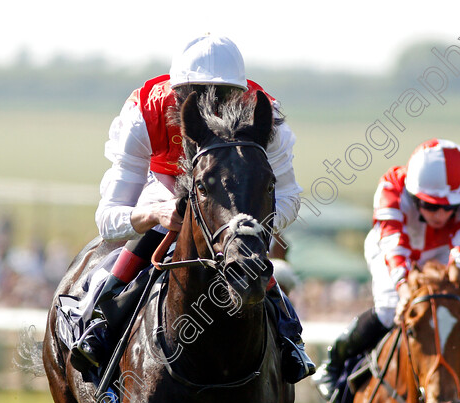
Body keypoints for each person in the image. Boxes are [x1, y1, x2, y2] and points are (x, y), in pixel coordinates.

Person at [72, 34, 316, 383]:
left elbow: (290, 195)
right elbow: (108, 217)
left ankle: (288, 333)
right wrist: (156, 214)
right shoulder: (144, 113)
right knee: (154, 231)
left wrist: (248, 226)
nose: (212, 105)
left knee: (245, 250)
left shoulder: (266, 118)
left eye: (224, 95)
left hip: (231, 202)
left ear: (241, 93)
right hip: (165, 187)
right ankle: (99, 322)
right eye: (199, 94)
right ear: (178, 93)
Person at [312, 138, 460, 403]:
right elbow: (393, 242)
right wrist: (403, 284)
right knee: (390, 309)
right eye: (431, 205)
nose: (441, 214)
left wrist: (458, 270)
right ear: (413, 193)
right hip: (392, 249)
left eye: (449, 207)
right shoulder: (391, 187)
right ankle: (333, 363)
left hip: (440, 252)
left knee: (455, 307)